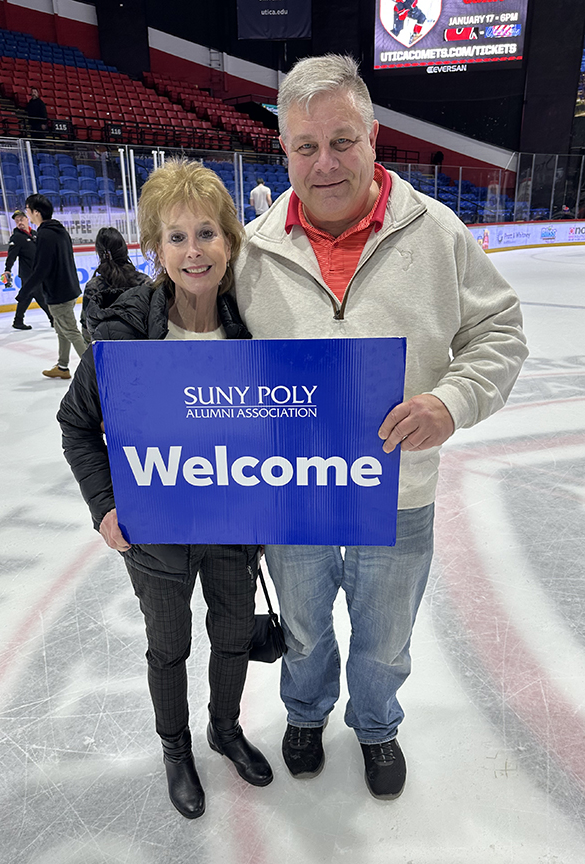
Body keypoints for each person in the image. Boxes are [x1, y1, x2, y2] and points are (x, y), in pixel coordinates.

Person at [234, 55, 528, 801]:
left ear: (373, 136)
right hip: (292, 489)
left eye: (342, 141)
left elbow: (500, 331)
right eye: (305, 146)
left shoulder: (435, 230)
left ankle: (375, 725)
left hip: (397, 487)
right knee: (301, 625)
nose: (324, 162)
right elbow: (202, 351)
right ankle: (305, 713)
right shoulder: (253, 248)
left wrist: (451, 401)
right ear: (284, 151)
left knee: (385, 633)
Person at [56, 159, 273, 820]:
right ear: (155, 247)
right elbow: (77, 426)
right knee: (169, 648)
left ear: (229, 241)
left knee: (234, 636)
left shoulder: (257, 327)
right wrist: (104, 507)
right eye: (175, 237)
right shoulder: (122, 333)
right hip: (157, 532)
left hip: (236, 524)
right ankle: (176, 749)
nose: (193, 250)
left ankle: (225, 729)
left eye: (206, 232)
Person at [21, 194, 87, 379]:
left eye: (28, 210)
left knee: (71, 331)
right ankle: (63, 366)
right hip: (68, 288)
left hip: (59, 292)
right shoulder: (59, 230)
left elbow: (42, 267)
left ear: (36, 212)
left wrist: (24, 291)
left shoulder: (45, 234)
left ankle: (94, 370)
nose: (27, 214)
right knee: (62, 329)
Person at [81, 226, 152, 345]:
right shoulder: (144, 282)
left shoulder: (94, 287)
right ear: (124, 250)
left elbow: (86, 327)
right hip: (143, 349)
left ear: (99, 253)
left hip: (108, 353)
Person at [3, 208, 53, 331]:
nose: (19, 222)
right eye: (16, 221)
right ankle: (53, 319)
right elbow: (11, 256)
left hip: (39, 272)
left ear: (27, 219)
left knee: (27, 297)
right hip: (28, 274)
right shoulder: (16, 237)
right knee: (40, 295)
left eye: (21, 219)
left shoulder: (35, 234)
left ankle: (18, 321)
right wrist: (7, 270)